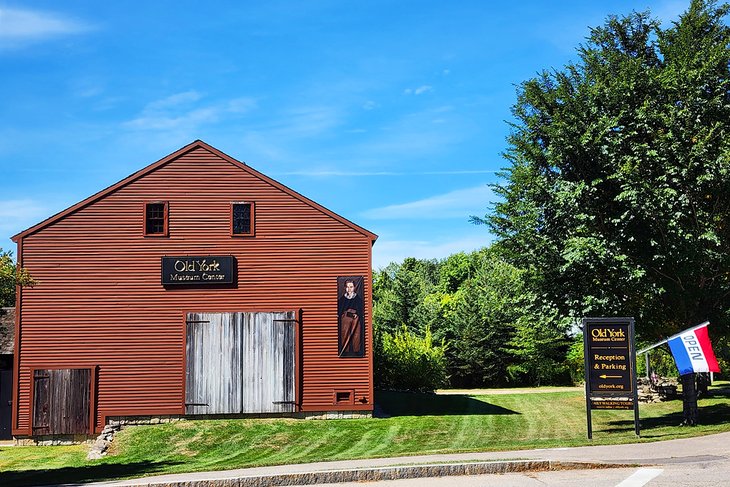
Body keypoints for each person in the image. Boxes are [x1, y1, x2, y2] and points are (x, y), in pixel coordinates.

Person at [338, 279, 364, 356]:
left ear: (354, 287)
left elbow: (361, 310)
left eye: (351, 287)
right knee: (344, 334)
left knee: (356, 335)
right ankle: (345, 351)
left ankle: (357, 351)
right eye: (347, 287)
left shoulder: (358, 299)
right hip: (345, 319)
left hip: (356, 319)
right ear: (345, 288)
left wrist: (356, 314)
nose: (349, 289)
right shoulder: (341, 300)